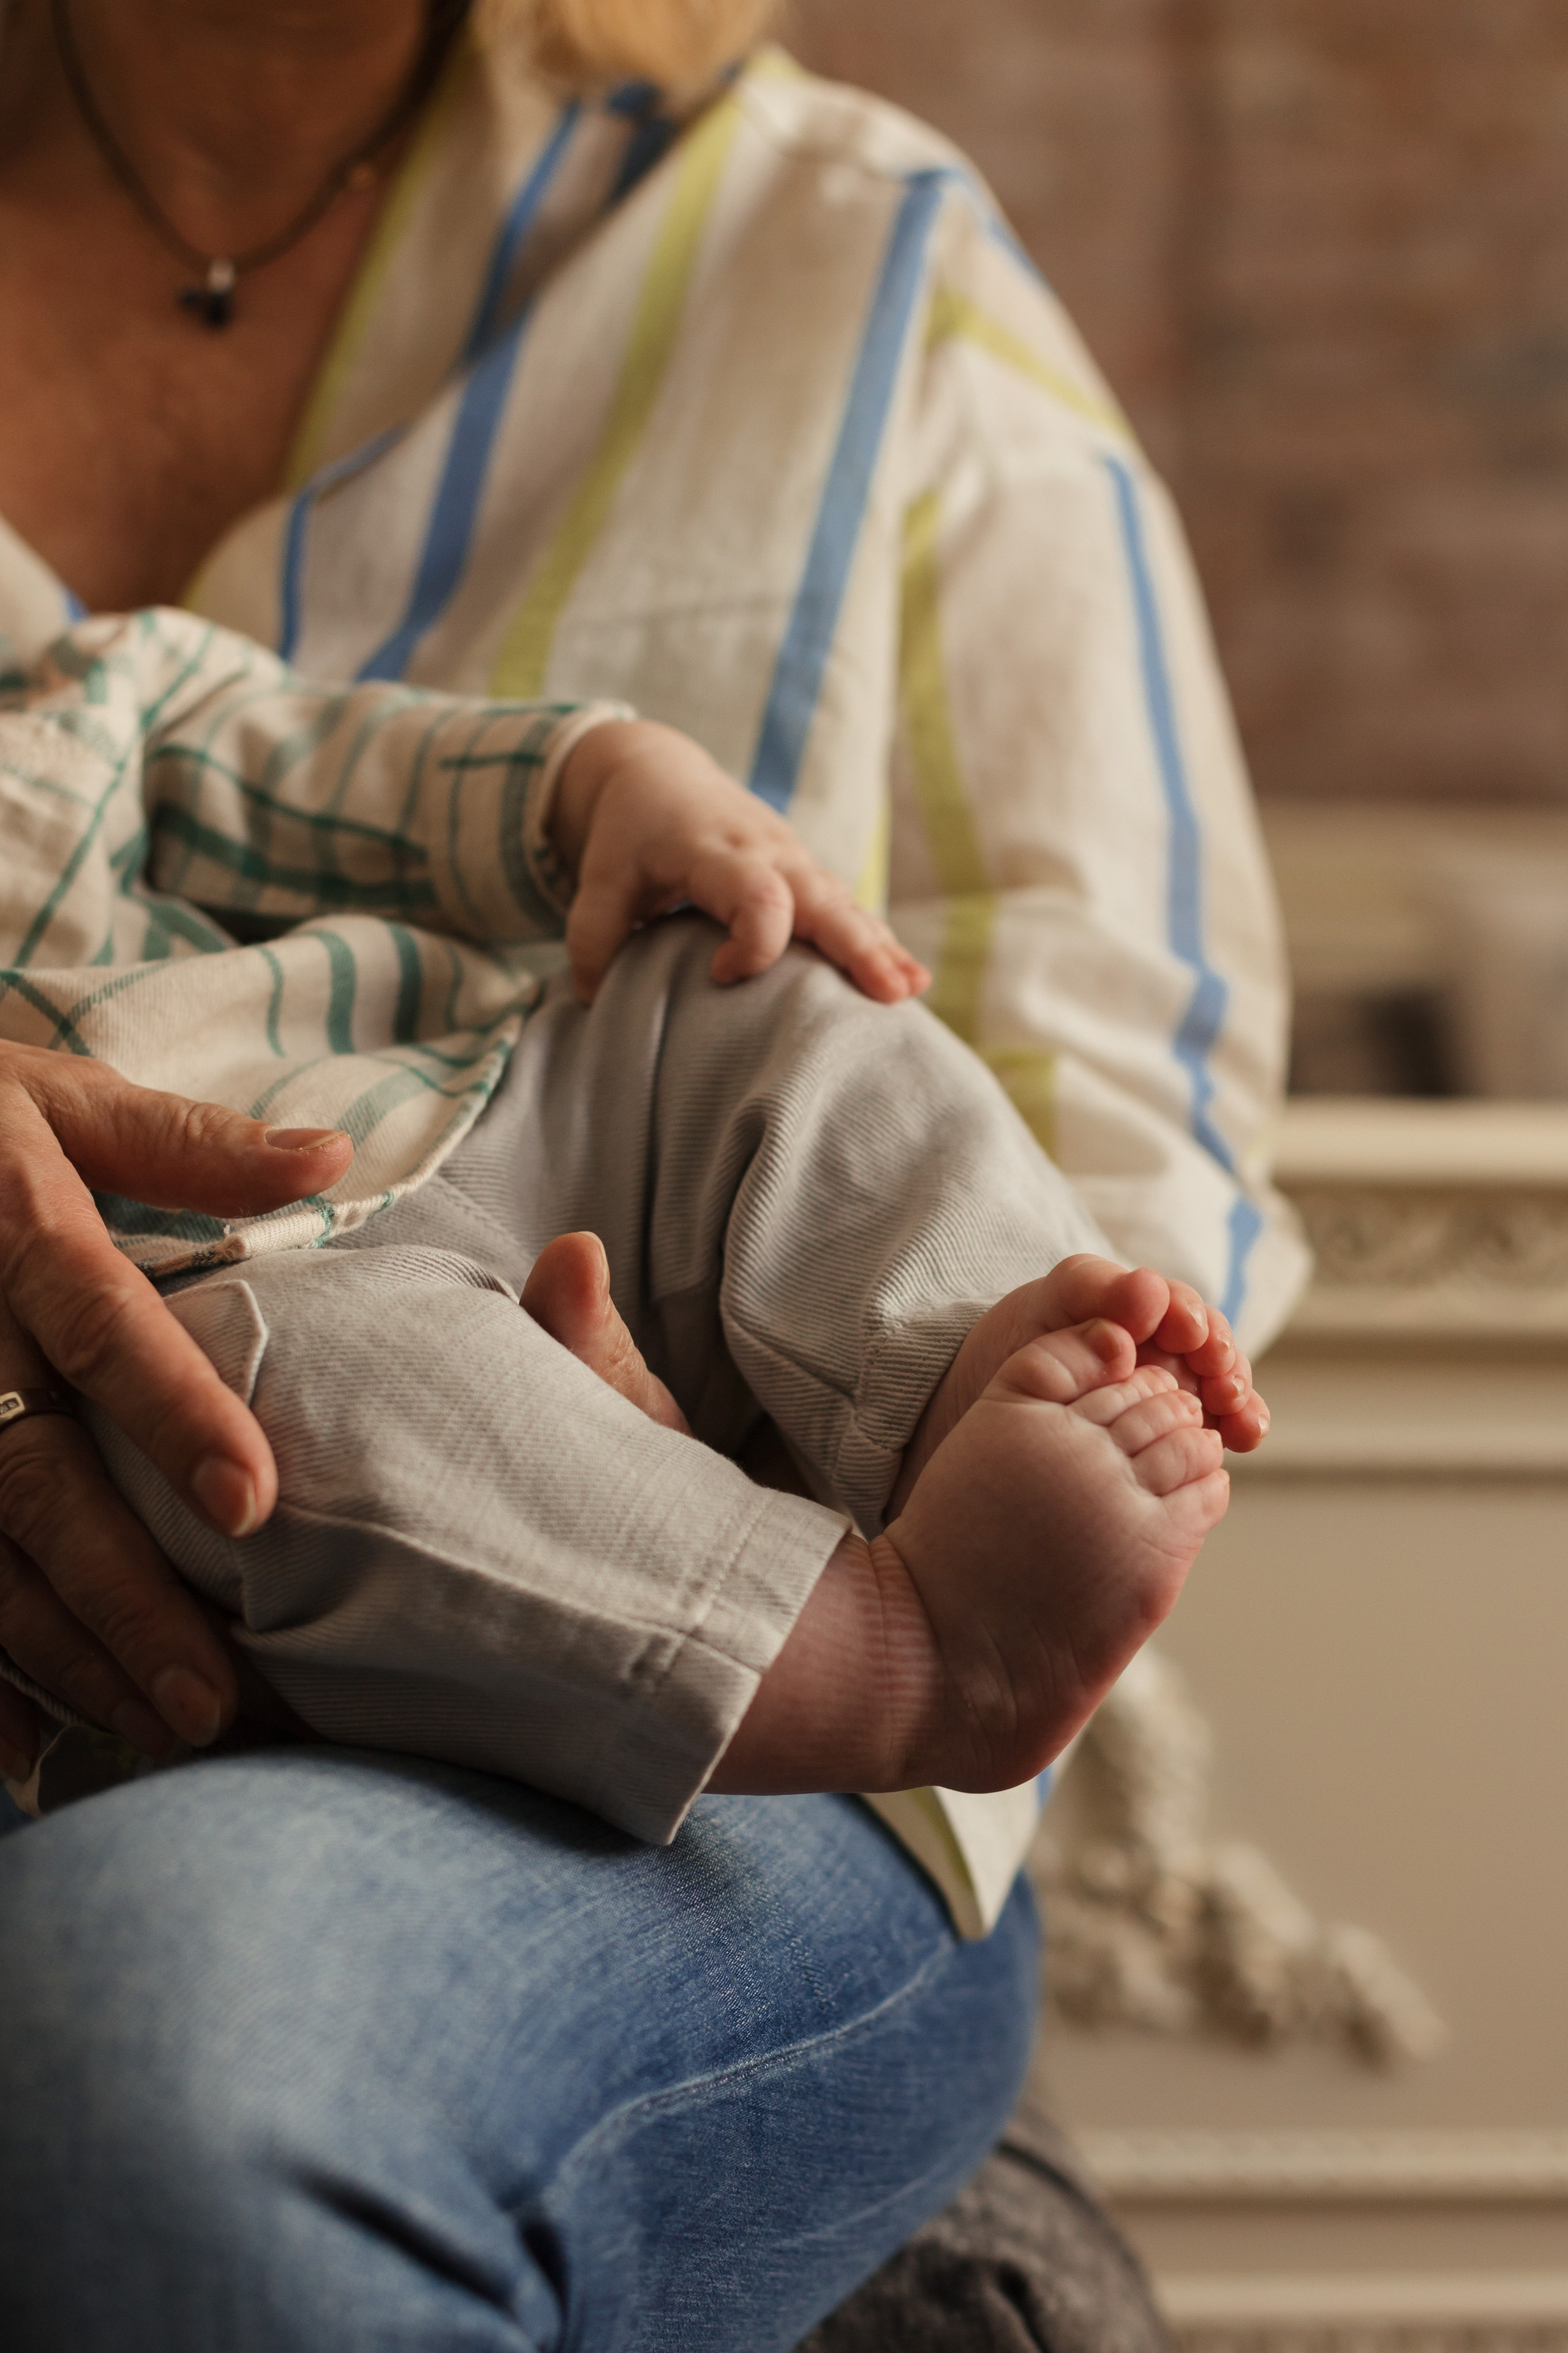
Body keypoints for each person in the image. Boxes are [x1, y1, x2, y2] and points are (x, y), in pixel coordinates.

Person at [0, 1, 1302, 2344]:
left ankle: (931, 1450)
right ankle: (855, 1641)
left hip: (532, 1164)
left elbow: (1126, 1079)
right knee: (299, 1412)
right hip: (256, 1292)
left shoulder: (851, 249)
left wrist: (601, 786)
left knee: (762, 982)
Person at [0, 606, 1262, 1847]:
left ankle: (957, 1358)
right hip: (169, 1293)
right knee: (246, 1422)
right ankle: (901, 1653)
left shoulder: (78, 692)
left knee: (758, 985)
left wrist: (606, 781)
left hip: (487, 1087)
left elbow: (307, 753)